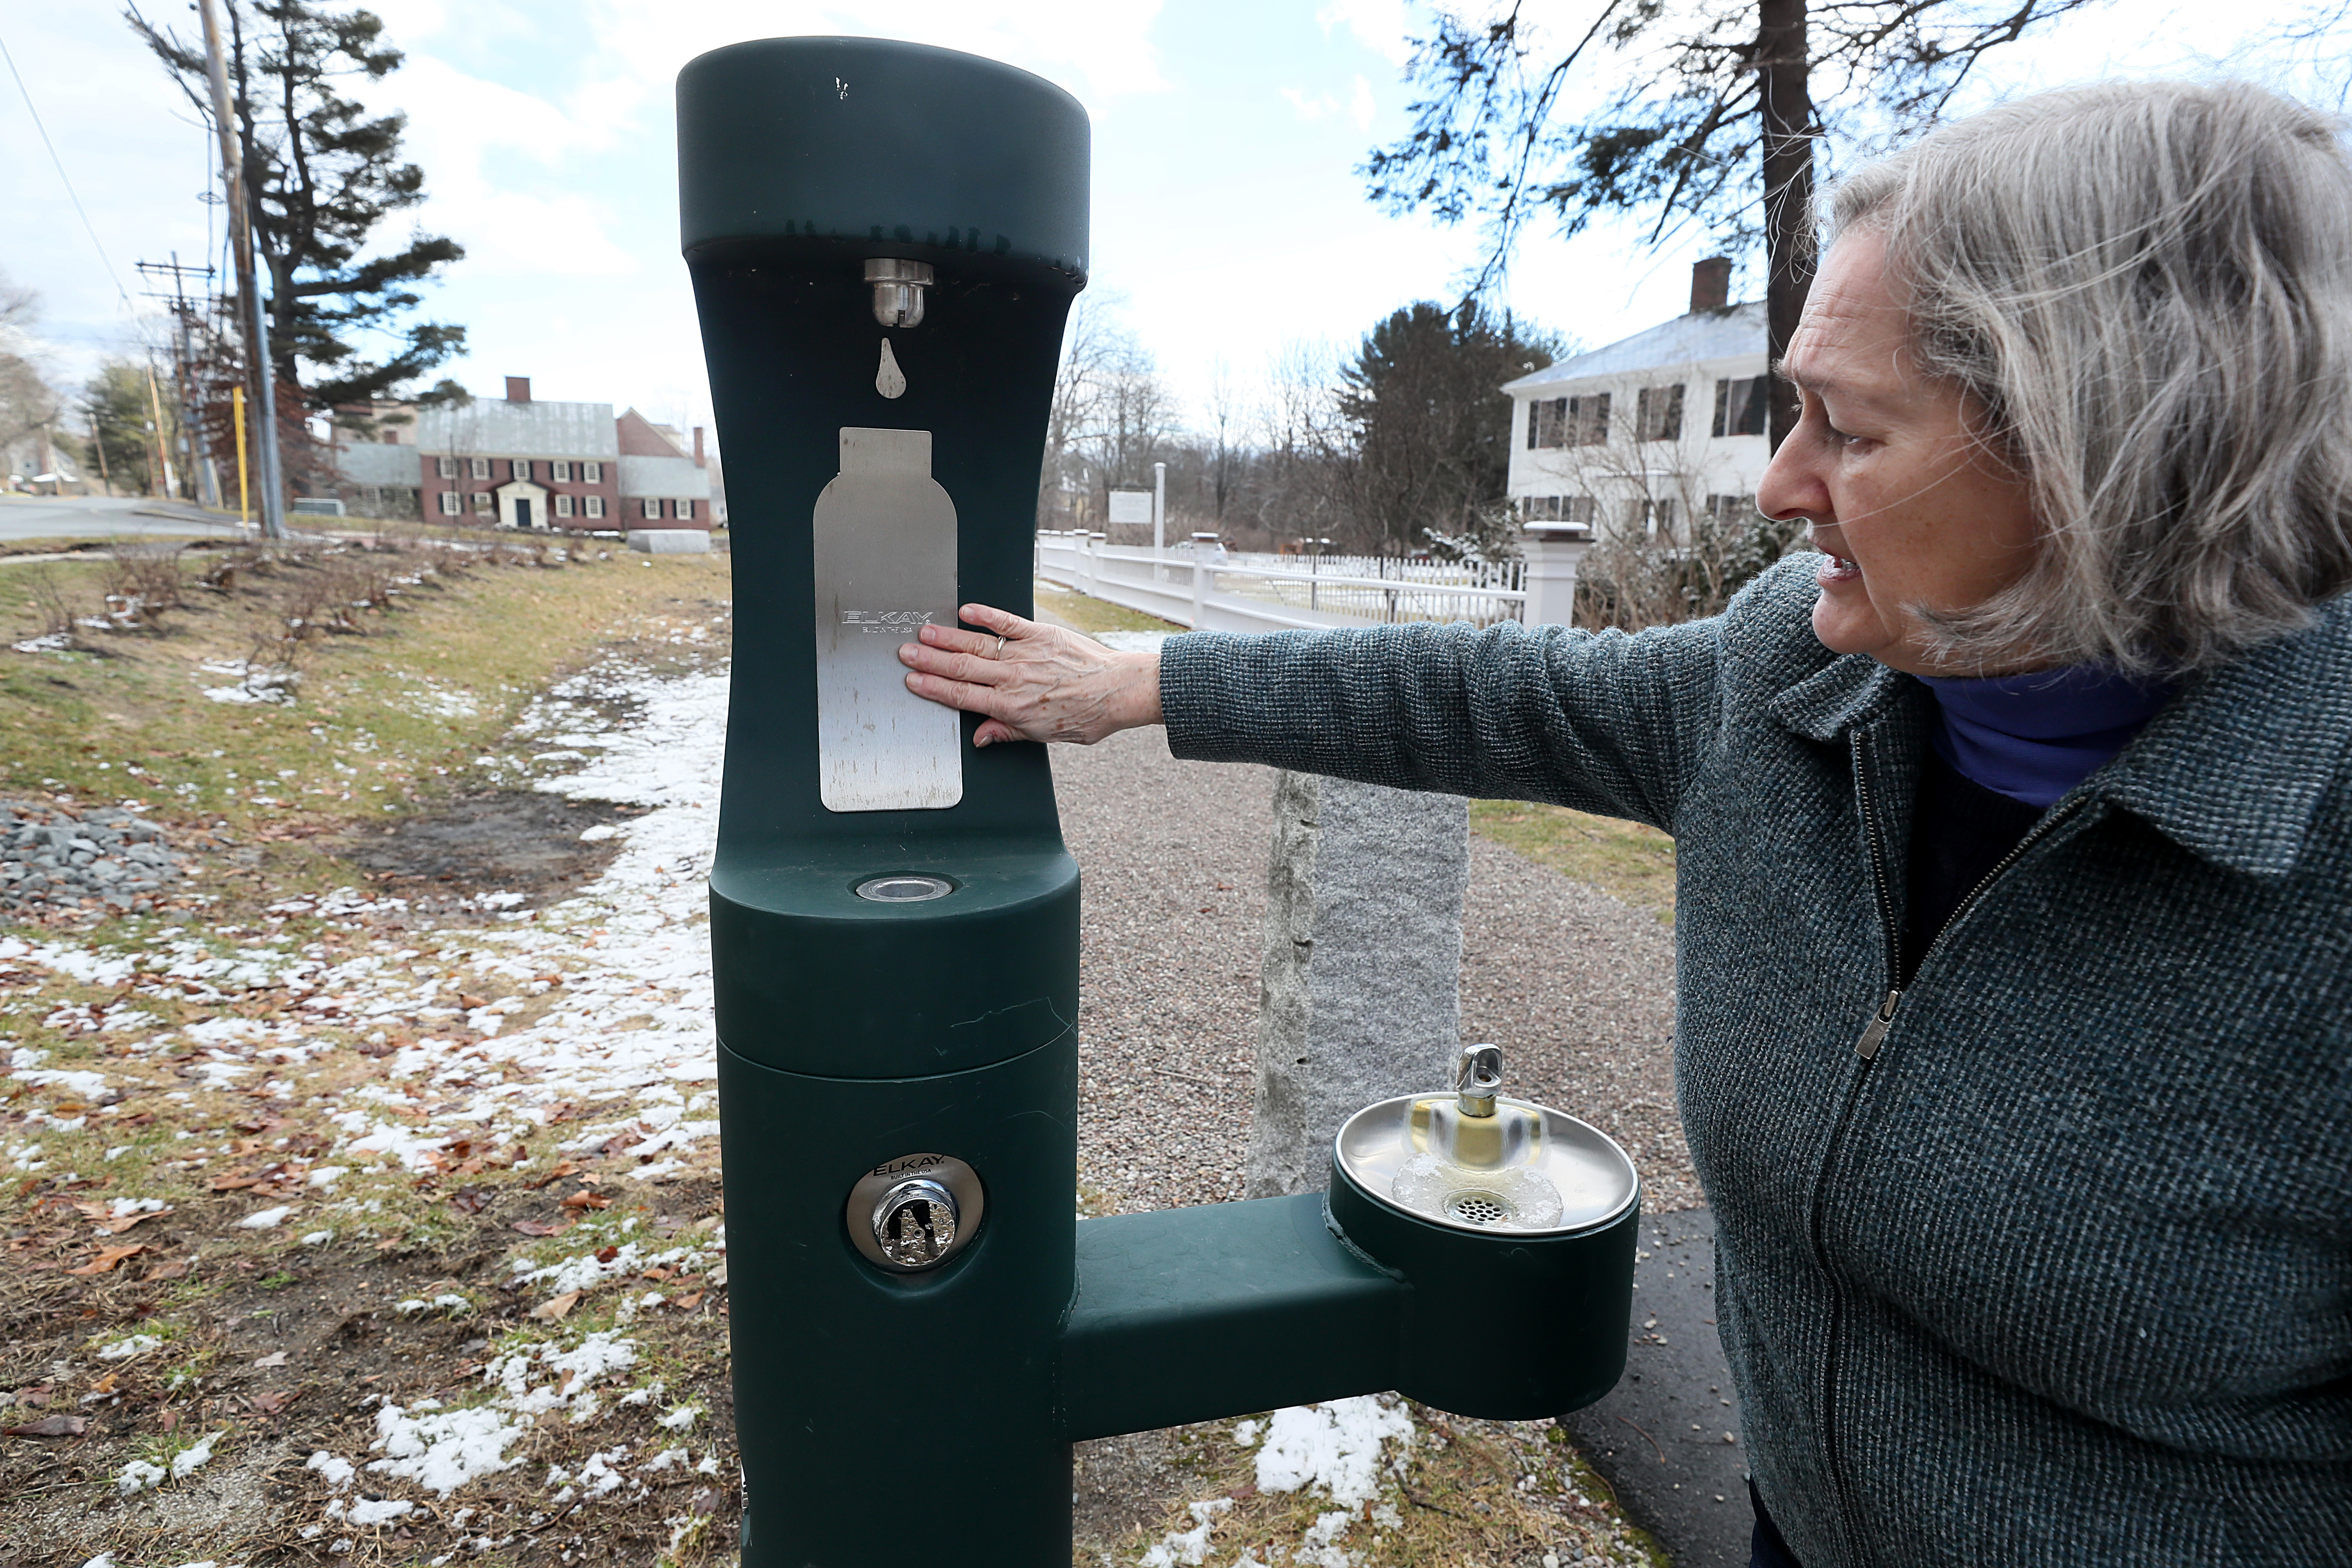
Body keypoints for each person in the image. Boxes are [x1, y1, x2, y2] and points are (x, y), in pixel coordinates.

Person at [900, 80, 2352, 1567]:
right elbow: (1481, 693)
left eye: (1848, 432)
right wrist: (1135, 680)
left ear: (2114, 457)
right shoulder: (1788, 677)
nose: (1780, 484)